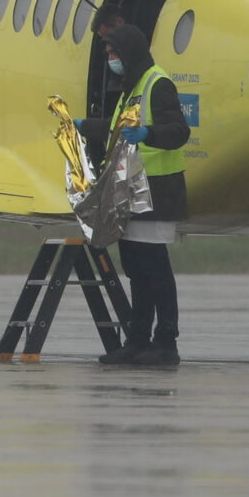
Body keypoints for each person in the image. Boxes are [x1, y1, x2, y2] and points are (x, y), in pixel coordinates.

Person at [96, 22, 189, 366]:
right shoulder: (131, 88)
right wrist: (80, 126)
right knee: (135, 268)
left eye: (113, 53)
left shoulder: (157, 83)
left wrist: (149, 133)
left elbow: (179, 131)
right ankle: (137, 339)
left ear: (129, 52)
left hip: (158, 191)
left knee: (155, 269)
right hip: (133, 191)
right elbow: (116, 131)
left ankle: (166, 342)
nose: (110, 59)